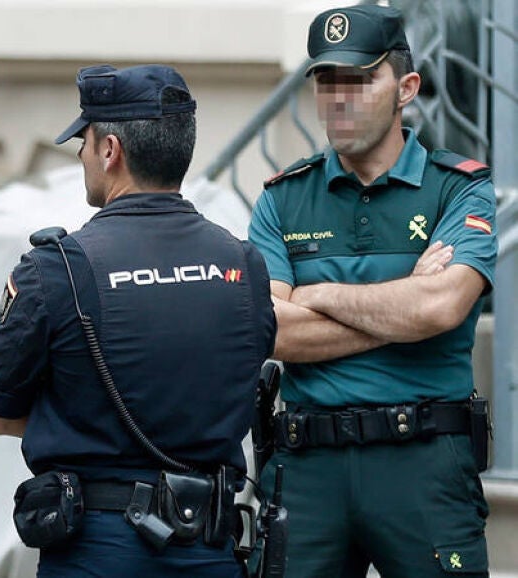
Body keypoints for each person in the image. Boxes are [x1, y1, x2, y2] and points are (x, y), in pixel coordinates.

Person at [0, 64, 276, 577]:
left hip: (97, 550)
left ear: (110, 150)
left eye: (85, 142)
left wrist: (80, 416)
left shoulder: (55, 270)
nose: (81, 156)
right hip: (210, 548)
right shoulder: (244, 266)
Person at [247, 5, 497, 577]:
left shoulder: (457, 189)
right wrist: (403, 304)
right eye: (327, 81)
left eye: (359, 80)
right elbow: (271, 328)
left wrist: (317, 295)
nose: (339, 98)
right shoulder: (284, 197)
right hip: (307, 467)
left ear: (407, 88)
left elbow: (441, 306)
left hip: (423, 462)